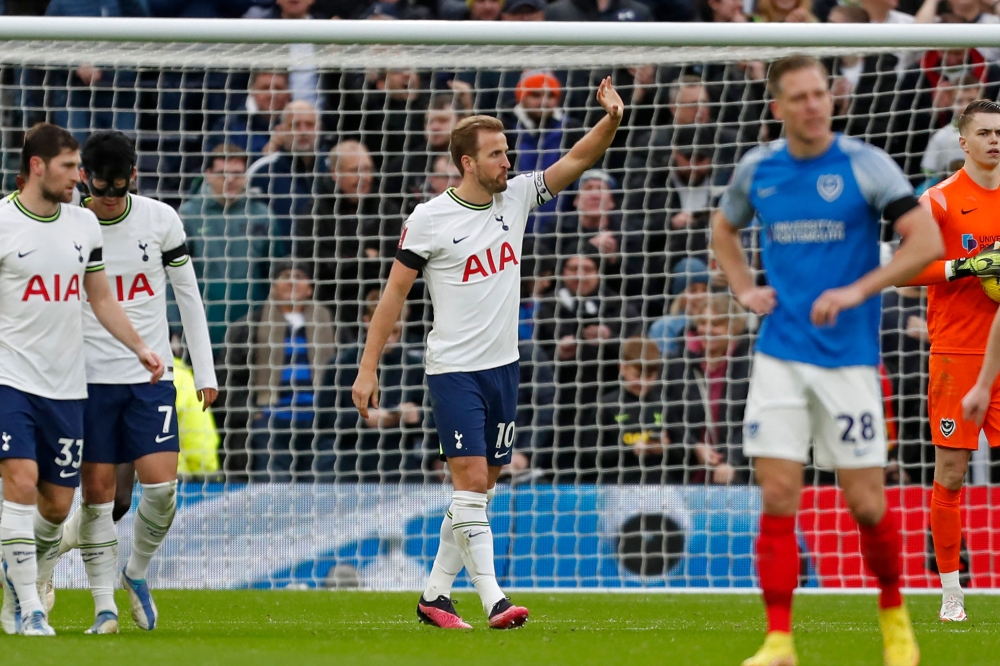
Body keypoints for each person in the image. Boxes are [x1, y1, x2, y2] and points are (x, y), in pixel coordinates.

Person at [352, 78, 624, 629]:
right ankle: (494, 599)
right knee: (471, 481)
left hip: (504, 368)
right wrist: (368, 366)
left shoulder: (518, 196)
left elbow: (576, 157)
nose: (509, 161)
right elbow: (393, 295)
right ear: (467, 163)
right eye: (497, 154)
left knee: (483, 485)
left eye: (508, 152)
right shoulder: (429, 218)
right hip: (454, 370)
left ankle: (434, 596)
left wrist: (612, 120)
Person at [711, 56, 942, 666]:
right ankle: (779, 641)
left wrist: (859, 290)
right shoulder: (757, 169)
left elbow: (927, 242)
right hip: (780, 355)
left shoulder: (866, 163)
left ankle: (895, 622)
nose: (815, 105)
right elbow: (724, 229)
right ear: (777, 107)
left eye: (821, 93)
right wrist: (742, 288)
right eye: (801, 97)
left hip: (850, 361)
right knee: (779, 495)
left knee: (866, 504)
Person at [48, 131, 217, 635]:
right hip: (90, 379)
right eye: (101, 189)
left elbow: (188, 296)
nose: (109, 199)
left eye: (119, 191)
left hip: (150, 377)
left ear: (133, 179)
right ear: (84, 178)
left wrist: (205, 373)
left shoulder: (160, 219)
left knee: (162, 491)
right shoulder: (67, 226)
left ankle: (135, 572)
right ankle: (102, 609)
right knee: (102, 499)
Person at [0, 123, 164, 637]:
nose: (80, 179)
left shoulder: (82, 227)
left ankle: (16, 582)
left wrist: (140, 347)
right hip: (11, 378)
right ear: (37, 167)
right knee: (20, 484)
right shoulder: (3, 222)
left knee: (57, 504)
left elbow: (101, 298)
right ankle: (30, 609)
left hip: (69, 386)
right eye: (70, 168)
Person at [905, 99, 1000, 623]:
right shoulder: (939, 201)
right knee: (952, 474)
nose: (995, 140)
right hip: (956, 355)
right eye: (984, 132)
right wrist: (968, 265)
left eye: (999, 132)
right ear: (962, 142)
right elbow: (902, 269)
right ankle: (952, 592)